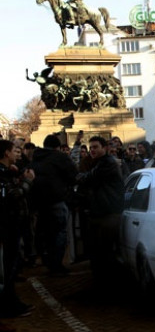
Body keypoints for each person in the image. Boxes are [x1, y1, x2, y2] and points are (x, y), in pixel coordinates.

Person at [76, 136, 124, 283]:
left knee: (105, 252)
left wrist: (82, 176)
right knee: (98, 252)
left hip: (108, 213)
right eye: (91, 148)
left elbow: (87, 178)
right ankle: (103, 282)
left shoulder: (107, 163)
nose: (92, 150)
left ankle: (108, 283)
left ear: (105, 148)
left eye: (96, 147)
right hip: (99, 212)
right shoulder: (98, 163)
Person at [30, 134, 78, 276]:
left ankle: (47, 261)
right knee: (59, 234)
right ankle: (56, 265)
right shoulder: (59, 157)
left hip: (40, 202)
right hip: (57, 199)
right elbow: (73, 175)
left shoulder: (36, 157)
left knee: (45, 233)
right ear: (57, 147)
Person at [0, 140, 36, 318]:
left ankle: (12, 302)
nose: (18, 153)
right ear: (6, 153)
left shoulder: (7, 171)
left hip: (12, 225)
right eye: (15, 150)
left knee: (11, 268)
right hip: (6, 227)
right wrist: (27, 182)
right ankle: (9, 305)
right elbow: (13, 195)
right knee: (7, 269)